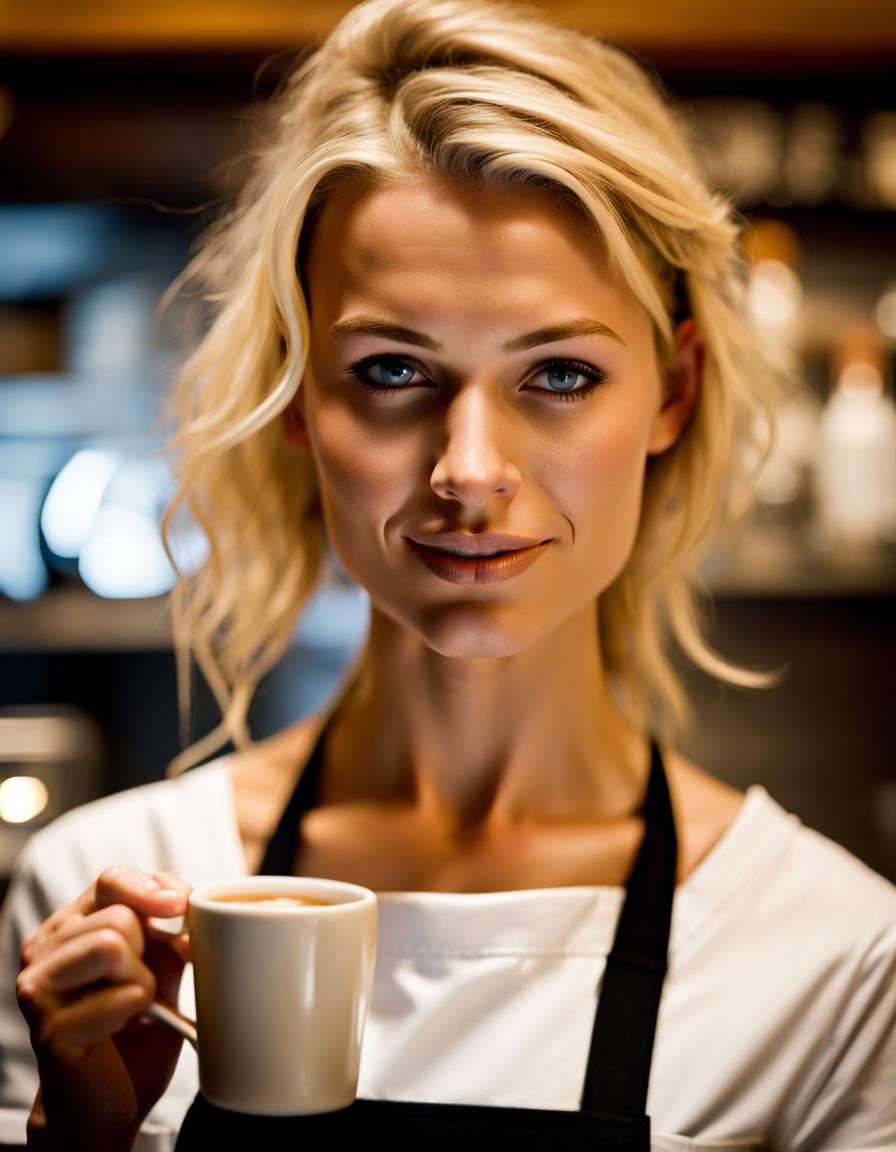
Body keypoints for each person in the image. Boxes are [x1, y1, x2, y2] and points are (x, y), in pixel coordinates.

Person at [2, 0, 894, 1148]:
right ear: (295, 397)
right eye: (388, 368)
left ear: (671, 391)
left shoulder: (832, 960)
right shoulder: (112, 908)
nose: (469, 472)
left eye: (560, 376)